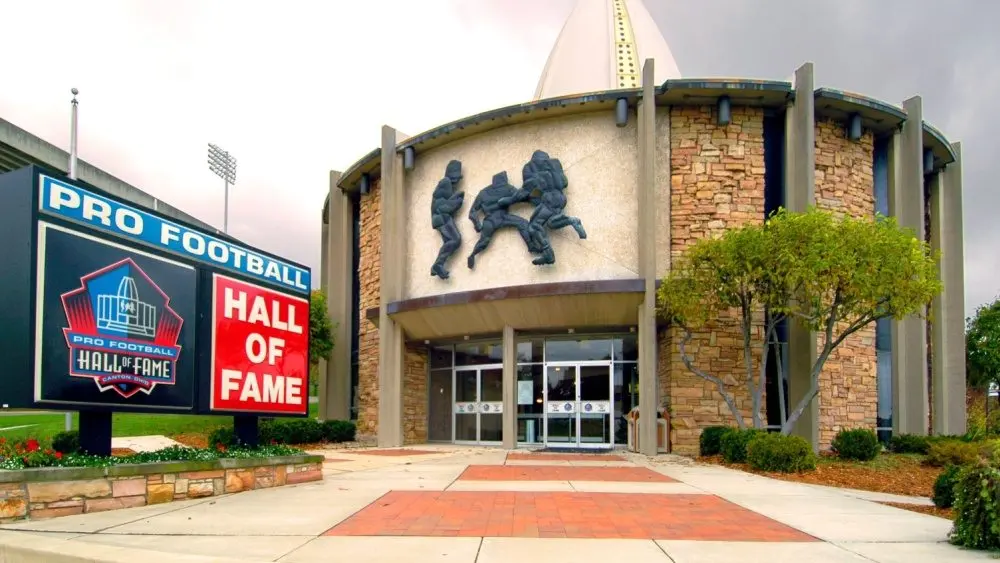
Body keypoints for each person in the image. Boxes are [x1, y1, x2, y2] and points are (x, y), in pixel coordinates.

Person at [430, 160, 465, 279]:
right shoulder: (446, 183)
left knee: (451, 241)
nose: (458, 180)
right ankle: (438, 265)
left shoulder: (447, 184)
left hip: (441, 217)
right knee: (455, 239)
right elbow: (441, 206)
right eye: (456, 176)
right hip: (442, 217)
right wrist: (457, 201)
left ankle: (438, 265)